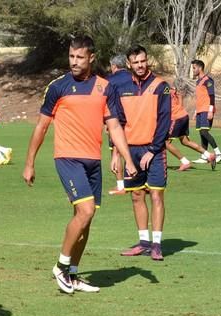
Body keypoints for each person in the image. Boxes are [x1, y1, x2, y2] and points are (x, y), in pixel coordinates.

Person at [23, 36, 137, 294]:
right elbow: (41, 126)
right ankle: (61, 267)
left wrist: (128, 159)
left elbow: (114, 126)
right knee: (85, 211)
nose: (74, 62)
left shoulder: (105, 87)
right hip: (67, 157)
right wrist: (29, 163)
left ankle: (73, 274)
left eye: (79, 57)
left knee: (86, 219)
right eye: (71, 57)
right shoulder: (57, 87)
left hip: (93, 160)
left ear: (91, 58)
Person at [114, 45, 171, 261]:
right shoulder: (121, 87)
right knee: (136, 195)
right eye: (136, 62)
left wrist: (153, 150)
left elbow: (165, 120)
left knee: (156, 195)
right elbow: (118, 122)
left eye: (143, 61)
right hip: (131, 151)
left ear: (147, 61)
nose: (140, 65)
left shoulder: (160, 86)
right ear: (129, 64)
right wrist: (116, 153)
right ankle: (143, 242)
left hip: (153, 150)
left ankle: (156, 244)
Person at [166, 83, 216, 171]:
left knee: (166, 143)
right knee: (185, 141)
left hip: (176, 117)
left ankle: (185, 162)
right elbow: (180, 95)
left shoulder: (160, 90)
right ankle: (209, 155)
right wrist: (179, 108)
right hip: (184, 115)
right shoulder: (171, 89)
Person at [106, 54, 133, 196]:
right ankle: (138, 182)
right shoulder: (134, 78)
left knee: (116, 152)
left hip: (117, 121)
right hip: (135, 121)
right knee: (134, 150)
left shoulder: (109, 81)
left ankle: (121, 185)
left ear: (114, 66)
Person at [191, 59, 221, 164]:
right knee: (201, 133)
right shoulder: (198, 82)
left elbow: (212, 96)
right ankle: (204, 156)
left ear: (200, 68)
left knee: (204, 132)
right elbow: (200, 98)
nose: (193, 70)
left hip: (207, 109)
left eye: (194, 68)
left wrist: (210, 110)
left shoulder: (208, 80)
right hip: (200, 110)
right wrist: (196, 111)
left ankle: (218, 153)